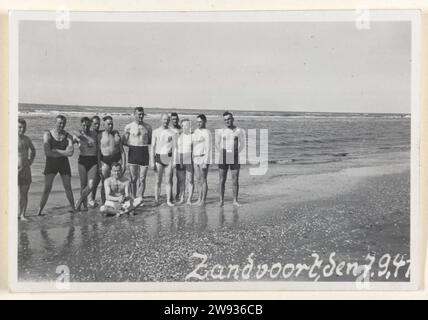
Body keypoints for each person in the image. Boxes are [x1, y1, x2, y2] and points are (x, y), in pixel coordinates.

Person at [37, 115, 76, 216]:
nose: (62, 125)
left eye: (63, 123)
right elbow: (47, 153)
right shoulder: (48, 134)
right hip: (51, 163)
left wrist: (56, 151)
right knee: (47, 188)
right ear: (55, 123)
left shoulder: (68, 136)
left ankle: (74, 209)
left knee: (68, 187)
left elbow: (70, 153)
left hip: (64, 163)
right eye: (59, 123)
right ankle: (39, 212)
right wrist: (64, 152)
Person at [215, 111, 246, 207]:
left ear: (232, 119)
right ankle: (221, 201)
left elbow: (242, 144)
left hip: (235, 155)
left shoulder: (239, 130)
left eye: (229, 119)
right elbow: (217, 143)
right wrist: (221, 152)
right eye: (225, 120)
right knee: (221, 179)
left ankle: (235, 201)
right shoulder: (221, 131)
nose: (227, 121)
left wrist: (236, 152)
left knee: (235, 179)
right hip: (224, 154)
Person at [122, 107, 152, 199]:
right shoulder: (129, 127)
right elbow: (123, 141)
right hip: (133, 152)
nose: (141, 116)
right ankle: (133, 198)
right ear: (134, 114)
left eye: (142, 114)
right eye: (139, 114)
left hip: (144, 152)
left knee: (142, 179)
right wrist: (132, 146)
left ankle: (140, 198)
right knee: (133, 178)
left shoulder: (148, 127)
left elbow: (150, 141)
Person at [98, 116, 126, 204]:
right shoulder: (100, 135)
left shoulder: (116, 134)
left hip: (116, 161)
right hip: (105, 161)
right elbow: (98, 153)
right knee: (105, 183)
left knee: (118, 182)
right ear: (103, 124)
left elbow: (122, 151)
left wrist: (124, 164)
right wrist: (99, 165)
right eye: (108, 124)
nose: (110, 126)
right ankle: (104, 202)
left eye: (112, 124)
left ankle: (119, 201)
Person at [151, 114, 177, 206]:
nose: (165, 121)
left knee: (168, 180)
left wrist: (174, 161)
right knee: (158, 181)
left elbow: (175, 148)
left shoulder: (172, 132)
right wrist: (152, 161)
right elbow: (152, 147)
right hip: (158, 157)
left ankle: (168, 200)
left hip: (168, 158)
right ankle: (157, 200)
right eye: (164, 119)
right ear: (161, 120)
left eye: (167, 120)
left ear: (169, 120)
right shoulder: (155, 132)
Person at [74, 117, 99, 212]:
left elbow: (94, 143)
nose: (86, 127)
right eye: (84, 125)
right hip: (82, 160)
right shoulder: (78, 133)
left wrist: (84, 136)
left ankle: (79, 201)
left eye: (88, 125)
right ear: (81, 125)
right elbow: (72, 139)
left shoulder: (94, 133)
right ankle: (84, 206)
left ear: (90, 125)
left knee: (91, 185)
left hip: (93, 160)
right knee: (83, 185)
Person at [18, 119, 36, 221]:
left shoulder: (27, 139)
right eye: (19, 127)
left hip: (25, 169)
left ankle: (22, 215)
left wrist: (31, 161)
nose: (22, 129)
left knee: (24, 193)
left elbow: (33, 150)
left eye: (24, 127)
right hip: (13, 170)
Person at [192, 114, 211, 206]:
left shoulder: (207, 132)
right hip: (196, 158)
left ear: (204, 121)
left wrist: (205, 161)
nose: (198, 123)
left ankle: (203, 200)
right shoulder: (195, 131)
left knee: (203, 180)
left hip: (203, 158)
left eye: (200, 121)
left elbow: (208, 148)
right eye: (197, 122)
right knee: (198, 180)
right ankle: (199, 199)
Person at [176, 119, 194, 205]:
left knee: (190, 179)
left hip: (189, 157)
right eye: (184, 125)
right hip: (180, 157)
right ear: (181, 126)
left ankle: (189, 199)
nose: (186, 127)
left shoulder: (192, 136)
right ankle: (182, 198)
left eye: (187, 125)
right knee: (181, 180)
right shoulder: (178, 135)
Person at [88, 115, 102, 207]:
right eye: (95, 124)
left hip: (99, 159)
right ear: (91, 124)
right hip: (91, 160)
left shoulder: (100, 133)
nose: (97, 126)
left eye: (98, 124)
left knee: (97, 181)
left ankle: (92, 198)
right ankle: (89, 199)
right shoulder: (89, 134)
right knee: (91, 181)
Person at [169, 112, 182, 200]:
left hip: (179, 155)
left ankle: (178, 195)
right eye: (173, 119)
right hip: (169, 155)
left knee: (179, 177)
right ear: (171, 120)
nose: (175, 120)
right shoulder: (168, 129)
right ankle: (169, 196)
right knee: (169, 176)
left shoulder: (181, 129)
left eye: (176, 119)